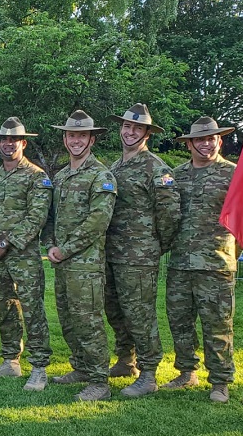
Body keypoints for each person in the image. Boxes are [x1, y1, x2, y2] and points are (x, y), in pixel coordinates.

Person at [104, 103, 180, 397]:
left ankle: (149, 373)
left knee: (139, 314)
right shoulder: (115, 166)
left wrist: (155, 246)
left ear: (147, 133)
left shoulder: (156, 168)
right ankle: (126, 360)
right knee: (115, 310)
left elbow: (170, 214)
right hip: (111, 252)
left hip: (139, 255)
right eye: (126, 126)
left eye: (137, 128)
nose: (130, 132)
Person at [45, 110, 117, 401]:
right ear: (65, 138)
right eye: (72, 135)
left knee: (88, 320)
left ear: (92, 139)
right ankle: (82, 367)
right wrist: (50, 243)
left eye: (82, 136)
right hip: (62, 263)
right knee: (67, 318)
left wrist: (65, 249)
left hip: (86, 265)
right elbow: (51, 216)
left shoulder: (101, 175)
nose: (76, 140)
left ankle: (100, 381)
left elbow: (98, 221)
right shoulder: (61, 176)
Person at [166, 117, 238, 403]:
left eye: (211, 139)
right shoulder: (176, 175)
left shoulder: (234, 174)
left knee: (217, 325)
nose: (206, 144)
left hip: (216, 264)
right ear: (190, 144)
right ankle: (186, 371)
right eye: (200, 139)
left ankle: (220, 381)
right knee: (179, 321)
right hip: (180, 262)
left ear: (219, 141)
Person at [0, 116, 52, 391]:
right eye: (3, 139)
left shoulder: (37, 176)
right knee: (5, 308)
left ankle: (39, 367)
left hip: (23, 255)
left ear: (23, 143)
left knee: (33, 309)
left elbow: (37, 217)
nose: (8, 144)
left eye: (13, 140)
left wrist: (6, 243)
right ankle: (10, 361)